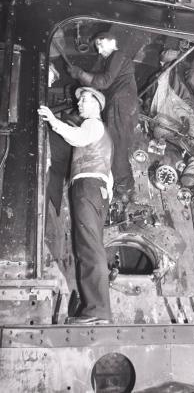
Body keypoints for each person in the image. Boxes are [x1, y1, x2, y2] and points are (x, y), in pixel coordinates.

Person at [38, 87, 113, 324]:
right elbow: (108, 177)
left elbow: (77, 138)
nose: (79, 104)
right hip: (94, 188)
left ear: (97, 105)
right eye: (79, 100)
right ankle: (94, 307)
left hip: (87, 186)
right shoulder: (102, 133)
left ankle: (97, 311)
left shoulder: (92, 124)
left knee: (89, 248)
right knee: (88, 247)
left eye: (84, 100)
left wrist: (53, 121)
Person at [67, 32, 138, 202]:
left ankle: (125, 189)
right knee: (118, 145)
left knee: (118, 146)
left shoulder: (117, 55)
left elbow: (104, 81)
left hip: (121, 105)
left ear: (112, 41)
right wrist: (81, 76)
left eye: (100, 44)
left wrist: (80, 74)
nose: (98, 50)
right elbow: (96, 80)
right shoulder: (108, 61)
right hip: (121, 105)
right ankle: (124, 185)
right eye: (97, 46)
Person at [149, 48, 194, 189]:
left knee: (191, 147)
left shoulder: (155, 78)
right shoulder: (180, 67)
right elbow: (193, 75)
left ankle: (190, 174)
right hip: (180, 111)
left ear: (162, 62)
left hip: (160, 125)